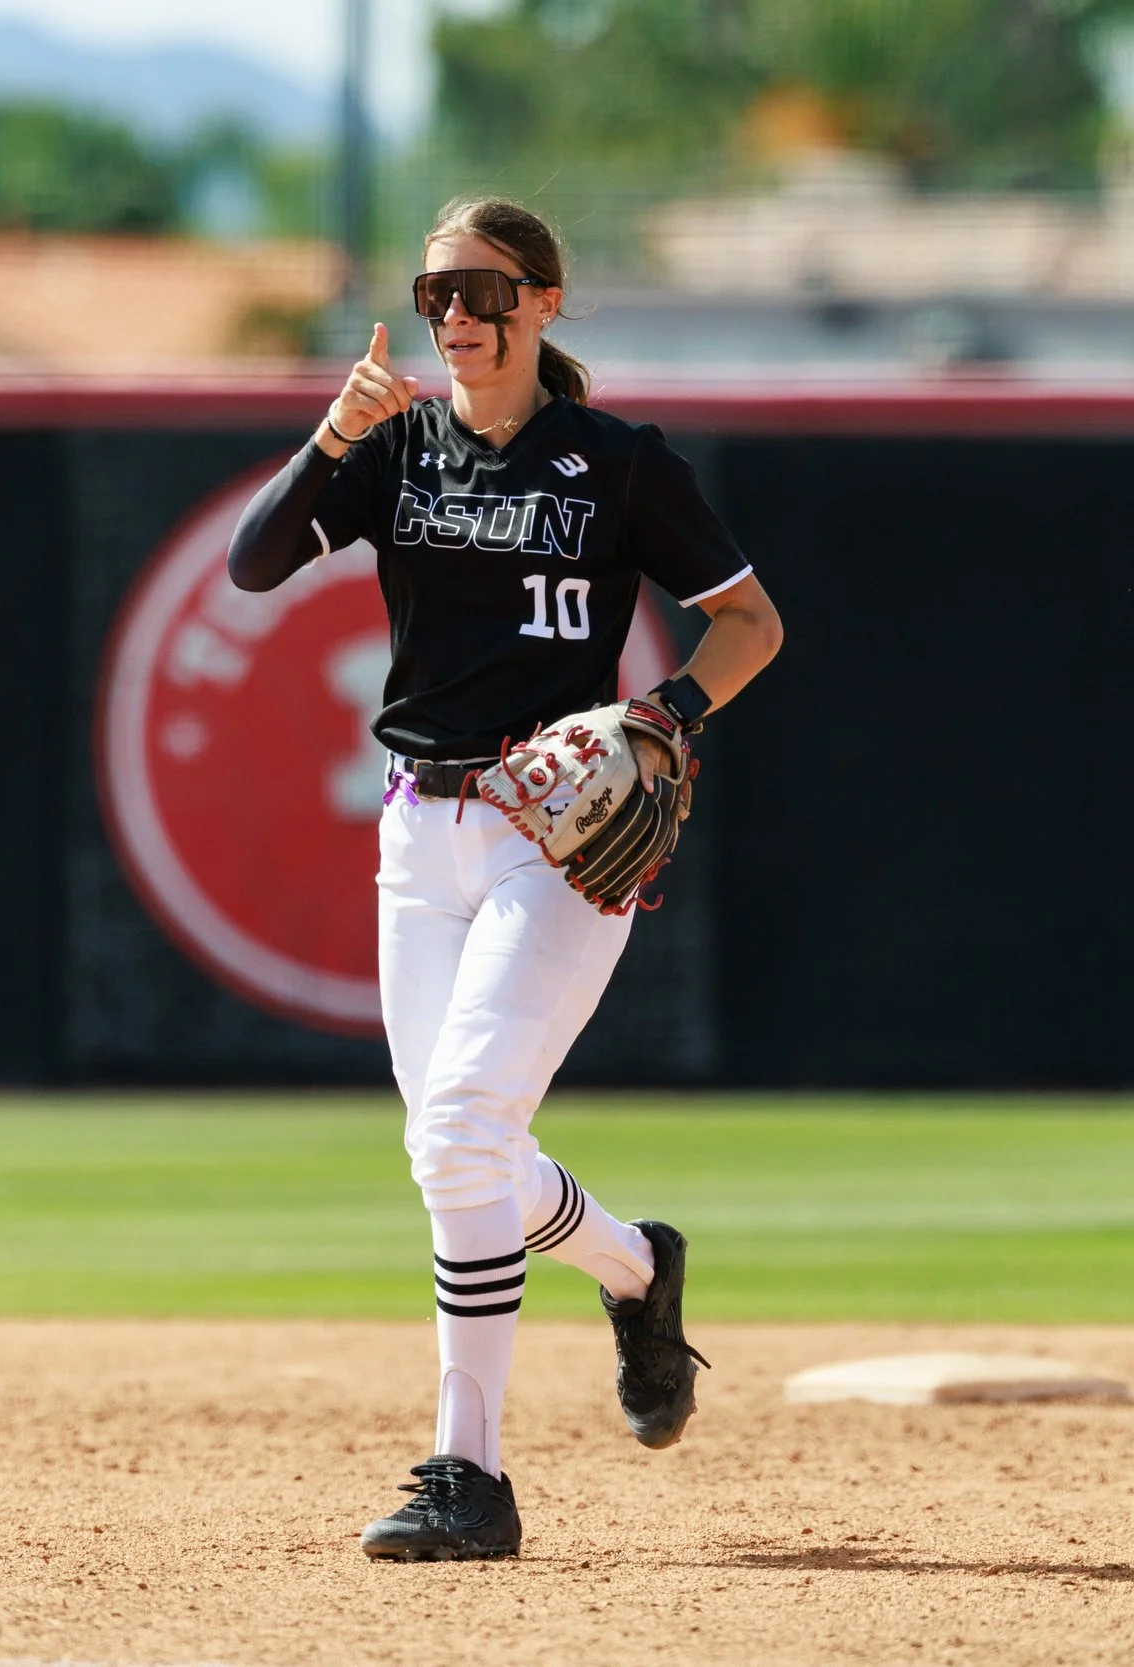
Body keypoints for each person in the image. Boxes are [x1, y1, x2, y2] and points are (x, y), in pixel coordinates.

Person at [226, 196, 783, 1561]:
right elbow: (252, 566)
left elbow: (751, 624)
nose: (457, 318)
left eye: (483, 291)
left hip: (559, 834)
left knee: (464, 1121)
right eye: (436, 297)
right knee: (455, 1148)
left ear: (543, 300)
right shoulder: (396, 451)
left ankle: (466, 1474)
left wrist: (662, 717)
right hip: (419, 837)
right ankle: (637, 1269)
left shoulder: (616, 462)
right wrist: (333, 434)